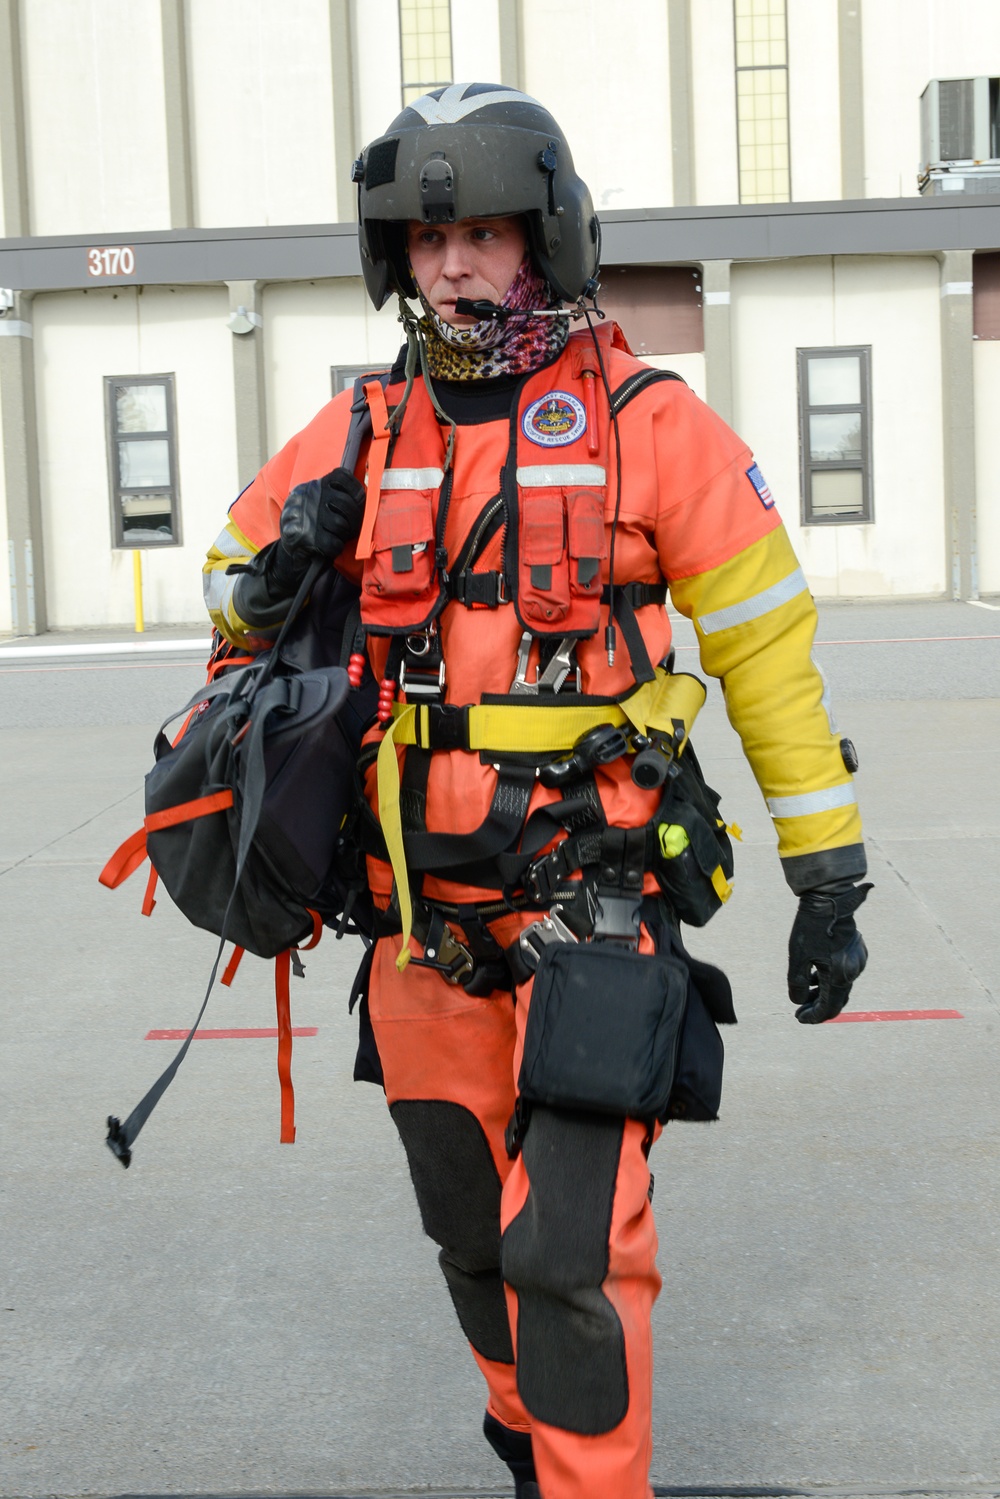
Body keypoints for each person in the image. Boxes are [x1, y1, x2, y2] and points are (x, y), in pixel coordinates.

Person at [203, 83, 870, 1499]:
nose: (453, 266)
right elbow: (229, 607)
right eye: (427, 240)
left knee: (572, 1254)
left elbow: (768, 657)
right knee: (473, 1241)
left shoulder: (651, 424)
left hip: (596, 915)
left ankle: (587, 1483)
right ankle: (526, 1441)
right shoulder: (355, 438)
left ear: (546, 242)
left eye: (486, 235)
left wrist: (831, 874)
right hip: (417, 930)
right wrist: (272, 574)